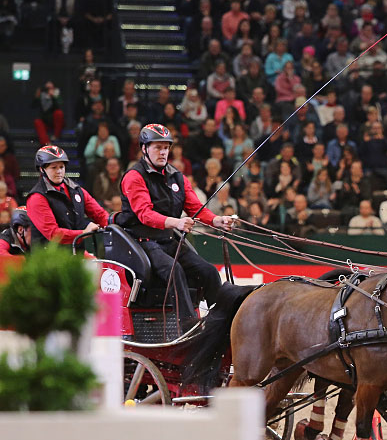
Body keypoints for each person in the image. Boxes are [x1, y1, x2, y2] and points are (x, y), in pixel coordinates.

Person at [117, 124, 234, 328]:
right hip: (142, 243)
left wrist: (217, 220)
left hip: (169, 240)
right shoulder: (134, 177)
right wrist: (176, 222)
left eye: (166, 147)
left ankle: (222, 325)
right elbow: (144, 214)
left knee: (208, 271)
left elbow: (196, 208)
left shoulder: (177, 176)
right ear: (144, 148)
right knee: (174, 271)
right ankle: (187, 327)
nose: (163, 152)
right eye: (158, 147)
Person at [26, 145, 109, 246]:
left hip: (75, 254)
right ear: (42, 169)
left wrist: (115, 226)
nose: (59, 171)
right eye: (54, 167)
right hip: (48, 258)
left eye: (61, 167)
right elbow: (53, 234)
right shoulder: (37, 197)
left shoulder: (76, 189)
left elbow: (99, 214)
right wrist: (83, 233)